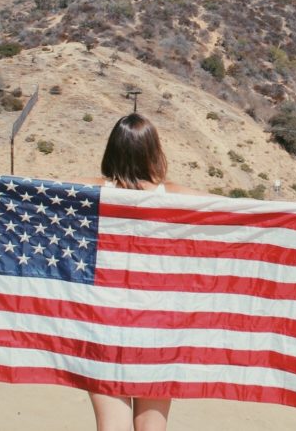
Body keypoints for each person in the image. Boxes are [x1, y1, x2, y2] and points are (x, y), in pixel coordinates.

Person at [83, 113, 203, 431]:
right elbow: (239, 219)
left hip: (105, 326)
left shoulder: (90, 192)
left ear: (112, 151)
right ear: (154, 152)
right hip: (159, 327)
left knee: (111, 426)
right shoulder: (180, 197)